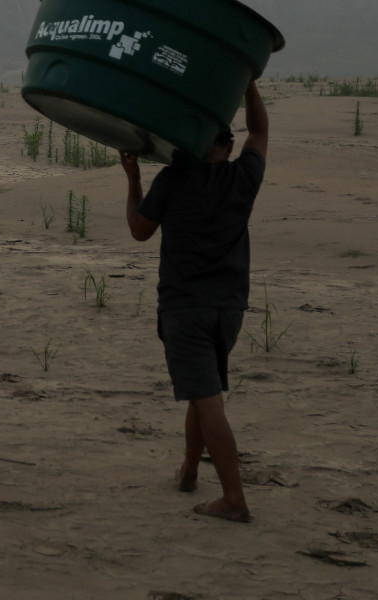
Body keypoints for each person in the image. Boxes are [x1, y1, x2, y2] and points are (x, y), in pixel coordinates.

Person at [121, 82, 270, 523]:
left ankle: (234, 500)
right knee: (201, 393)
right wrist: (247, 84)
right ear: (226, 145)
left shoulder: (174, 179)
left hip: (185, 309)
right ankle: (188, 471)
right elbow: (260, 130)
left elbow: (139, 229)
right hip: (228, 310)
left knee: (208, 402)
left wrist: (133, 181)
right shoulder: (243, 177)